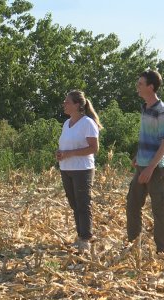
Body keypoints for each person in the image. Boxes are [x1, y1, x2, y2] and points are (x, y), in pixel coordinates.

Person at [126, 70, 164, 254]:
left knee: (159, 210)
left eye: (140, 84)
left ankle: (162, 252)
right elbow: (147, 137)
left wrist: (150, 168)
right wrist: (138, 156)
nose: (138, 87)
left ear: (151, 87)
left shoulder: (162, 111)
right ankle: (135, 247)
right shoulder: (145, 107)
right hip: (142, 166)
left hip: (156, 169)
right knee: (132, 205)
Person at [56, 90, 102, 253]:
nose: (64, 104)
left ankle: (86, 238)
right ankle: (80, 235)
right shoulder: (67, 123)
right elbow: (67, 144)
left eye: (67, 101)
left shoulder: (87, 123)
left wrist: (70, 153)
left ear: (77, 105)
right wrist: (61, 153)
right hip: (66, 169)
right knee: (74, 203)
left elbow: (94, 148)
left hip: (82, 169)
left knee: (83, 204)